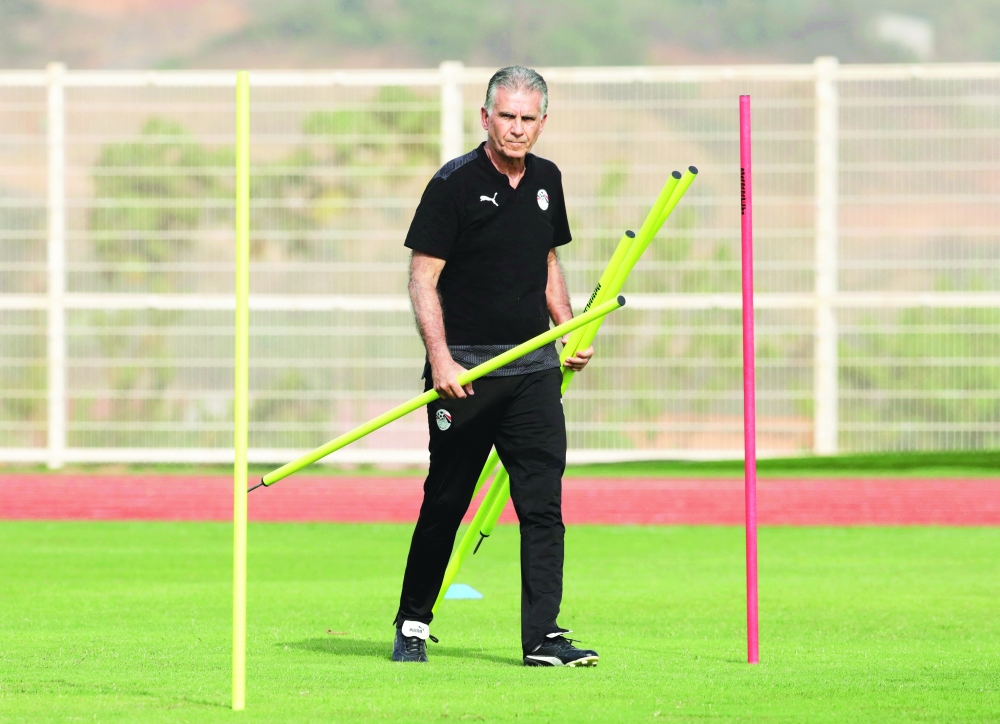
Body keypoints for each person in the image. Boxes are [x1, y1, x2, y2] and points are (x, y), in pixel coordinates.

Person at [391, 66, 599, 667]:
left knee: (542, 505)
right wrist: (442, 361)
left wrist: (566, 332)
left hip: (532, 373)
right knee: (446, 501)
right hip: (467, 378)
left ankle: (543, 638)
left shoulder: (547, 179)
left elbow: (547, 261)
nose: (516, 128)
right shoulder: (453, 183)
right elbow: (422, 281)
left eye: (527, 118)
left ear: (541, 122)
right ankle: (412, 622)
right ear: (485, 118)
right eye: (505, 116)